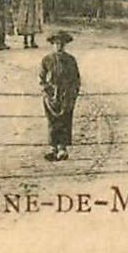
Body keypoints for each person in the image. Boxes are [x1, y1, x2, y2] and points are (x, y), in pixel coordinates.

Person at [39, 30, 81, 161]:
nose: (59, 46)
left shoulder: (71, 60)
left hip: (66, 94)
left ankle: (62, 148)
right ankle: (52, 147)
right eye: (56, 44)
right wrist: (47, 91)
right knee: (52, 121)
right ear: (52, 45)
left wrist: (73, 93)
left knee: (65, 120)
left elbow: (76, 79)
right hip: (51, 95)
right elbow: (41, 79)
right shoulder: (47, 60)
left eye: (61, 44)